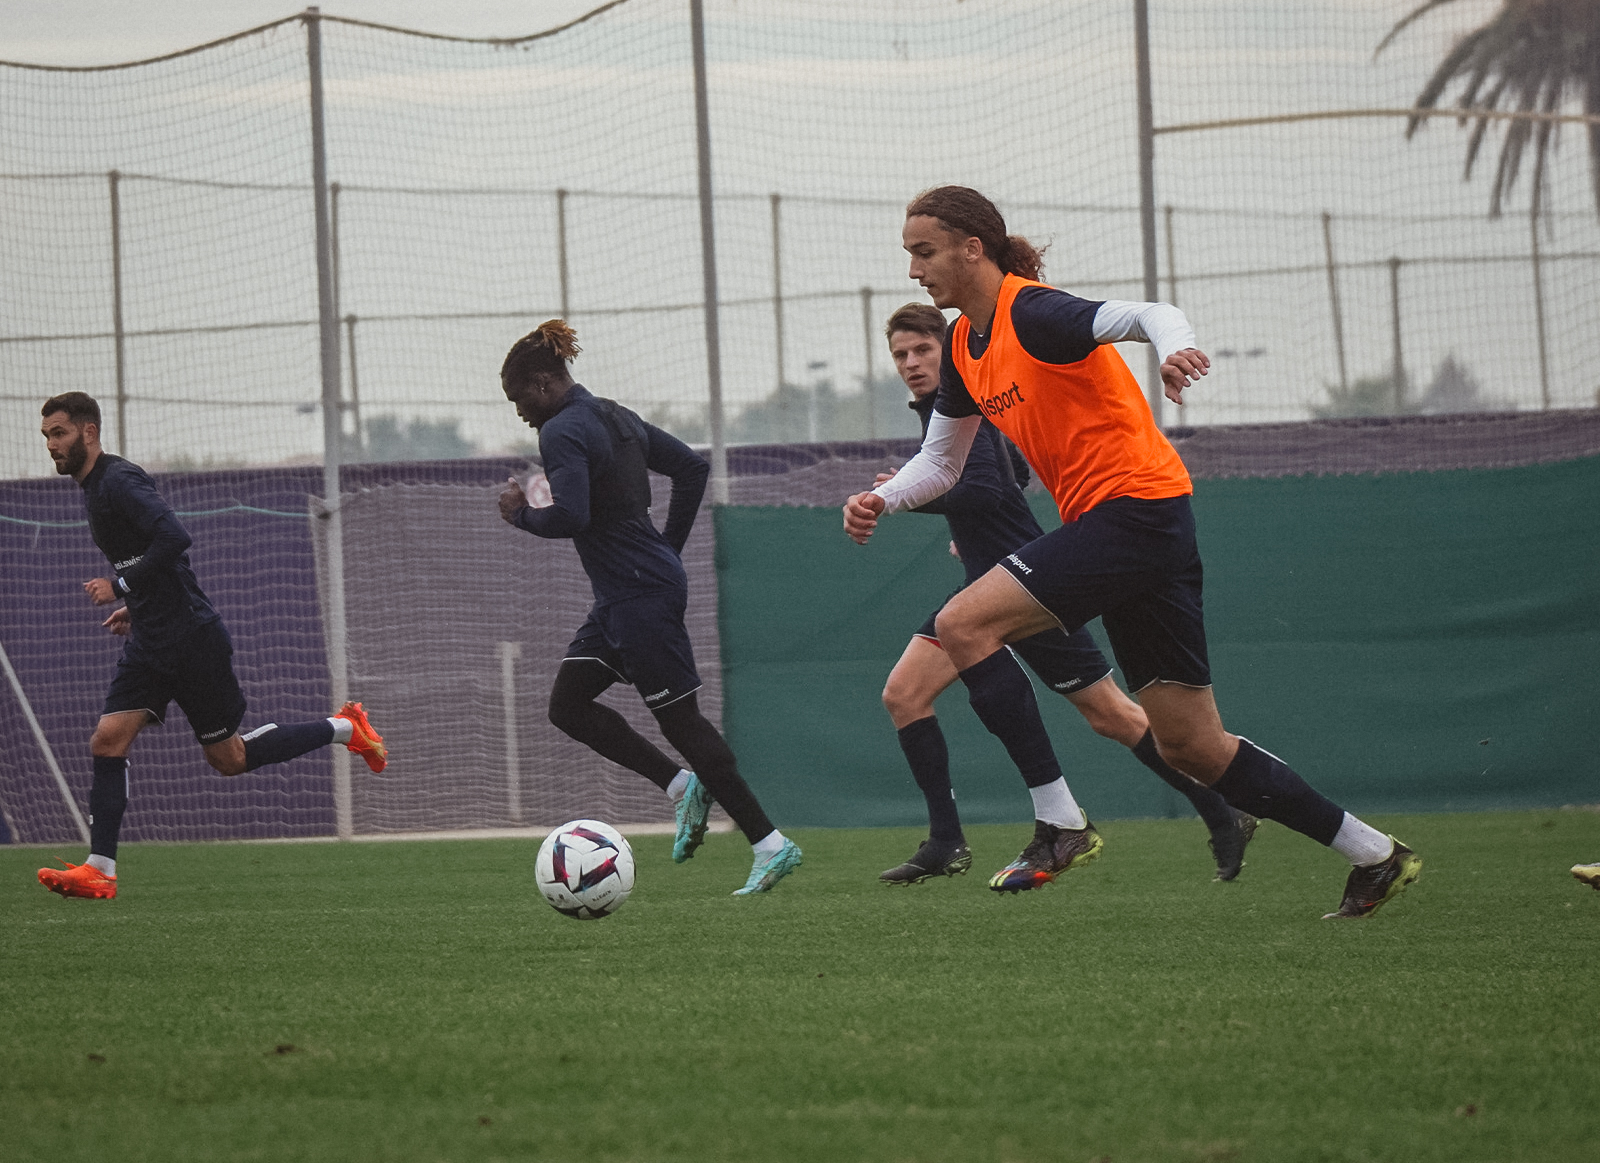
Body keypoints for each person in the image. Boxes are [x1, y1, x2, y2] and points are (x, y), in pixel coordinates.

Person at [844, 186, 1422, 919]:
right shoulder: (963, 344)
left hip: (1138, 514)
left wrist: (1174, 346)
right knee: (1193, 749)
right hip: (1131, 531)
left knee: (963, 624)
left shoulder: (1035, 312)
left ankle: (1059, 822)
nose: (914, 269)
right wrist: (883, 498)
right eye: (909, 255)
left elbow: (1146, 314)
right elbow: (942, 463)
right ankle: (1375, 855)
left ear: (971, 249)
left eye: (922, 252)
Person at [875, 302, 1256, 887]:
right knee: (904, 693)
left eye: (923, 349)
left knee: (1114, 717)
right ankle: (947, 841)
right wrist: (966, 529)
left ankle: (1220, 805)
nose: (911, 362)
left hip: (1028, 584)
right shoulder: (942, 414)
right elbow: (1010, 477)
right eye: (900, 354)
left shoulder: (962, 404)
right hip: (983, 584)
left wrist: (915, 498)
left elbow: (980, 484)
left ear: (946, 349)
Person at [36, 392, 385, 901]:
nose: (51, 445)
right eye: (46, 436)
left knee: (229, 759)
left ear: (89, 432)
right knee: (107, 740)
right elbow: (162, 564)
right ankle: (100, 869)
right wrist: (138, 607)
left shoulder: (118, 480)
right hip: (152, 640)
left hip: (191, 641)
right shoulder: (92, 488)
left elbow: (174, 538)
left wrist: (122, 587)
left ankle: (345, 727)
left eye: (59, 433)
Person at [496, 320, 801, 896]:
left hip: (639, 598)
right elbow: (691, 468)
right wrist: (669, 549)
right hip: (625, 595)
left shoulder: (562, 430)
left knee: (682, 721)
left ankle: (770, 844)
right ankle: (682, 788)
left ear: (540, 384)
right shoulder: (615, 414)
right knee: (568, 705)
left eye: (519, 401)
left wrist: (520, 514)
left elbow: (572, 517)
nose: (520, 414)